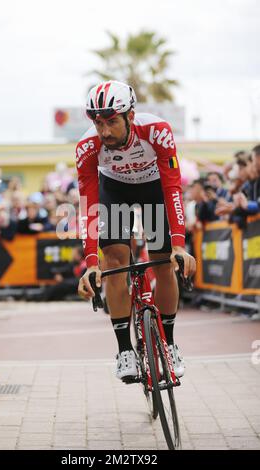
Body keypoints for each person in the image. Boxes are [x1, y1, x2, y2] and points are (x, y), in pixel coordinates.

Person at [76, 81, 196, 381]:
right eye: (98, 122)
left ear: (131, 114)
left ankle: (168, 343)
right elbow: (88, 204)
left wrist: (179, 245)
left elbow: (172, 187)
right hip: (114, 190)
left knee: (165, 261)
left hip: (154, 189)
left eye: (112, 121)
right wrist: (92, 262)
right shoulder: (87, 146)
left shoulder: (157, 131)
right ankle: (125, 350)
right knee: (115, 263)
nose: (104, 131)